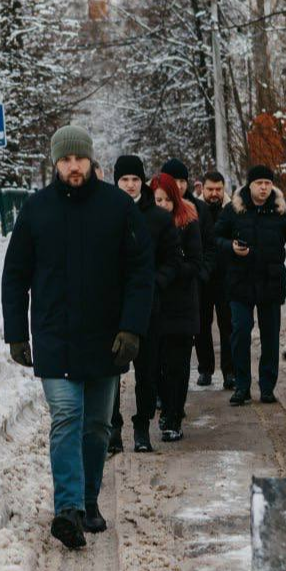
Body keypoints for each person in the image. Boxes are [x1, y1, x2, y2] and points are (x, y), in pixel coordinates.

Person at [1, 125, 154, 550]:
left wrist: (132, 327)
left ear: (91, 161)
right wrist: (16, 333)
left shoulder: (118, 208)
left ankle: (88, 502)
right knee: (66, 416)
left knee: (97, 426)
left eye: (79, 159)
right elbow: (15, 276)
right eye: (65, 160)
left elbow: (141, 273)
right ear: (56, 163)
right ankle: (67, 508)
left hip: (106, 338)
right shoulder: (36, 210)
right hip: (54, 335)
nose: (73, 166)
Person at [215, 165, 286, 406]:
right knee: (240, 333)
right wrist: (231, 247)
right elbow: (215, 239)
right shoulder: (234, 209)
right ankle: (242, 386)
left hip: (270, 281)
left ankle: (267, 387)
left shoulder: (280, 211)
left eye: (268, 183)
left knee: (270, 337)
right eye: (259, 183)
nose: (264, 187)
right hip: (240, 281)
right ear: (250, 185)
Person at [109, 155, 183, 454]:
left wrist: (155, 282)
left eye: (135, 180)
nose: (129, 185)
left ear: (143, 182)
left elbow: (173, 260)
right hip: (112, 306)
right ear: (116, 182)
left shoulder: (158, 218)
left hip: (149, 306)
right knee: (110, 371)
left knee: (147, 371)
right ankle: (113, 429)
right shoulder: (105, 214)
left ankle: (142, 427)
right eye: (124, 180)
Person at [149, 173, 203, 442]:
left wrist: (173, 264)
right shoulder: (144, 222)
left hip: (181, 303)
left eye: (167, 200)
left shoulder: (188, 222)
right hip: (156, 304)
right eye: (157, 199)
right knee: (157, 363)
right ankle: (165, 409)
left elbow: (196, 264)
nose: (162, 205)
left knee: (178, 366)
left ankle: (174, 416)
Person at [194, 170, 234, 390]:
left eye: (218, 189)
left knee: (228, 325)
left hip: (226, 277)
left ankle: (229, 372)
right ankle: (205, 369)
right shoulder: (195, 209)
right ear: (203, 188)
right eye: (210, 189)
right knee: (201, 325)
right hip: (202, 277)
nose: (214, 193)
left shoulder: (232, 209)